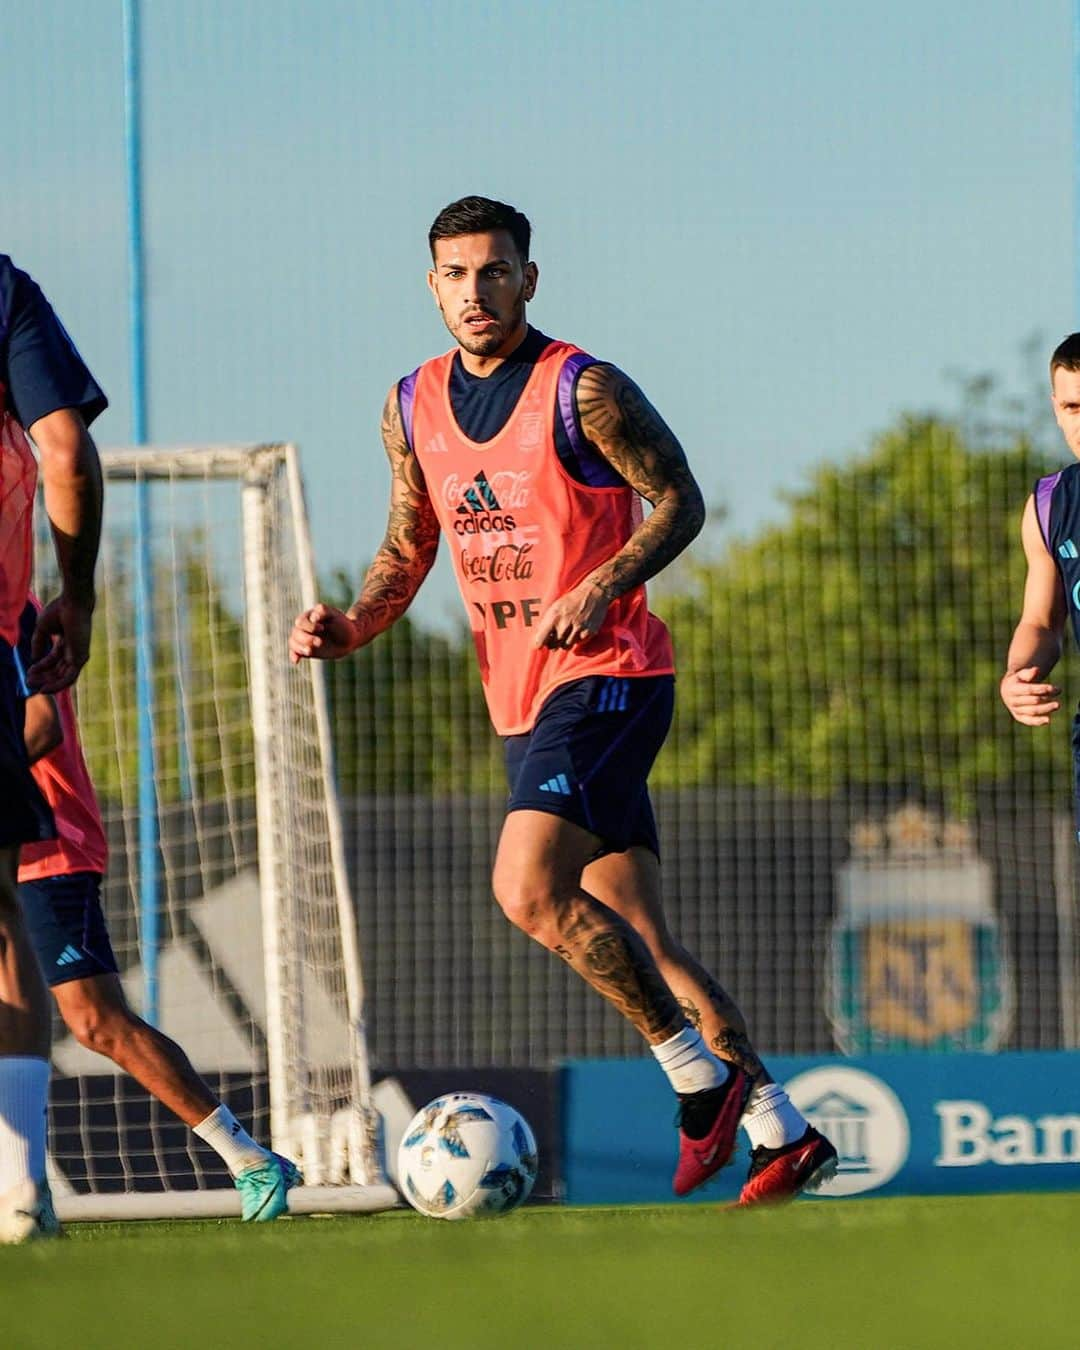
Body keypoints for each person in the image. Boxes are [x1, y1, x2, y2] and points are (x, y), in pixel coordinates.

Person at [290, 196, 836, 1205]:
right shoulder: (410, 404)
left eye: (494, 271)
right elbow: (410, 548)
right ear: (431, 285)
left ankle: (695, 1085)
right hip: (523, 701)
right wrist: (351, 626)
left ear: (528, 278)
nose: (475, 291)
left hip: (612, 677)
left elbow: (682, 500)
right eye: (456, 275)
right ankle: (780, 1127)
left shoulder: (583, 390)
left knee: (527, 890)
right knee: (642, 935)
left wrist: (603, 583)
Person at [15, 595, 301, 1222]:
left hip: (46, 845)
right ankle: (21, 1190)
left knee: (96, 1022)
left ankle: (248, 1157)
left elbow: (40, 725)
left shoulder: (16, 615)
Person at [0, 256, 106, 1241]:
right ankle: (21, 1188)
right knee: (2, 934)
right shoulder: (3, 289)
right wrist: (75, 591)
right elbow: (66, 452)